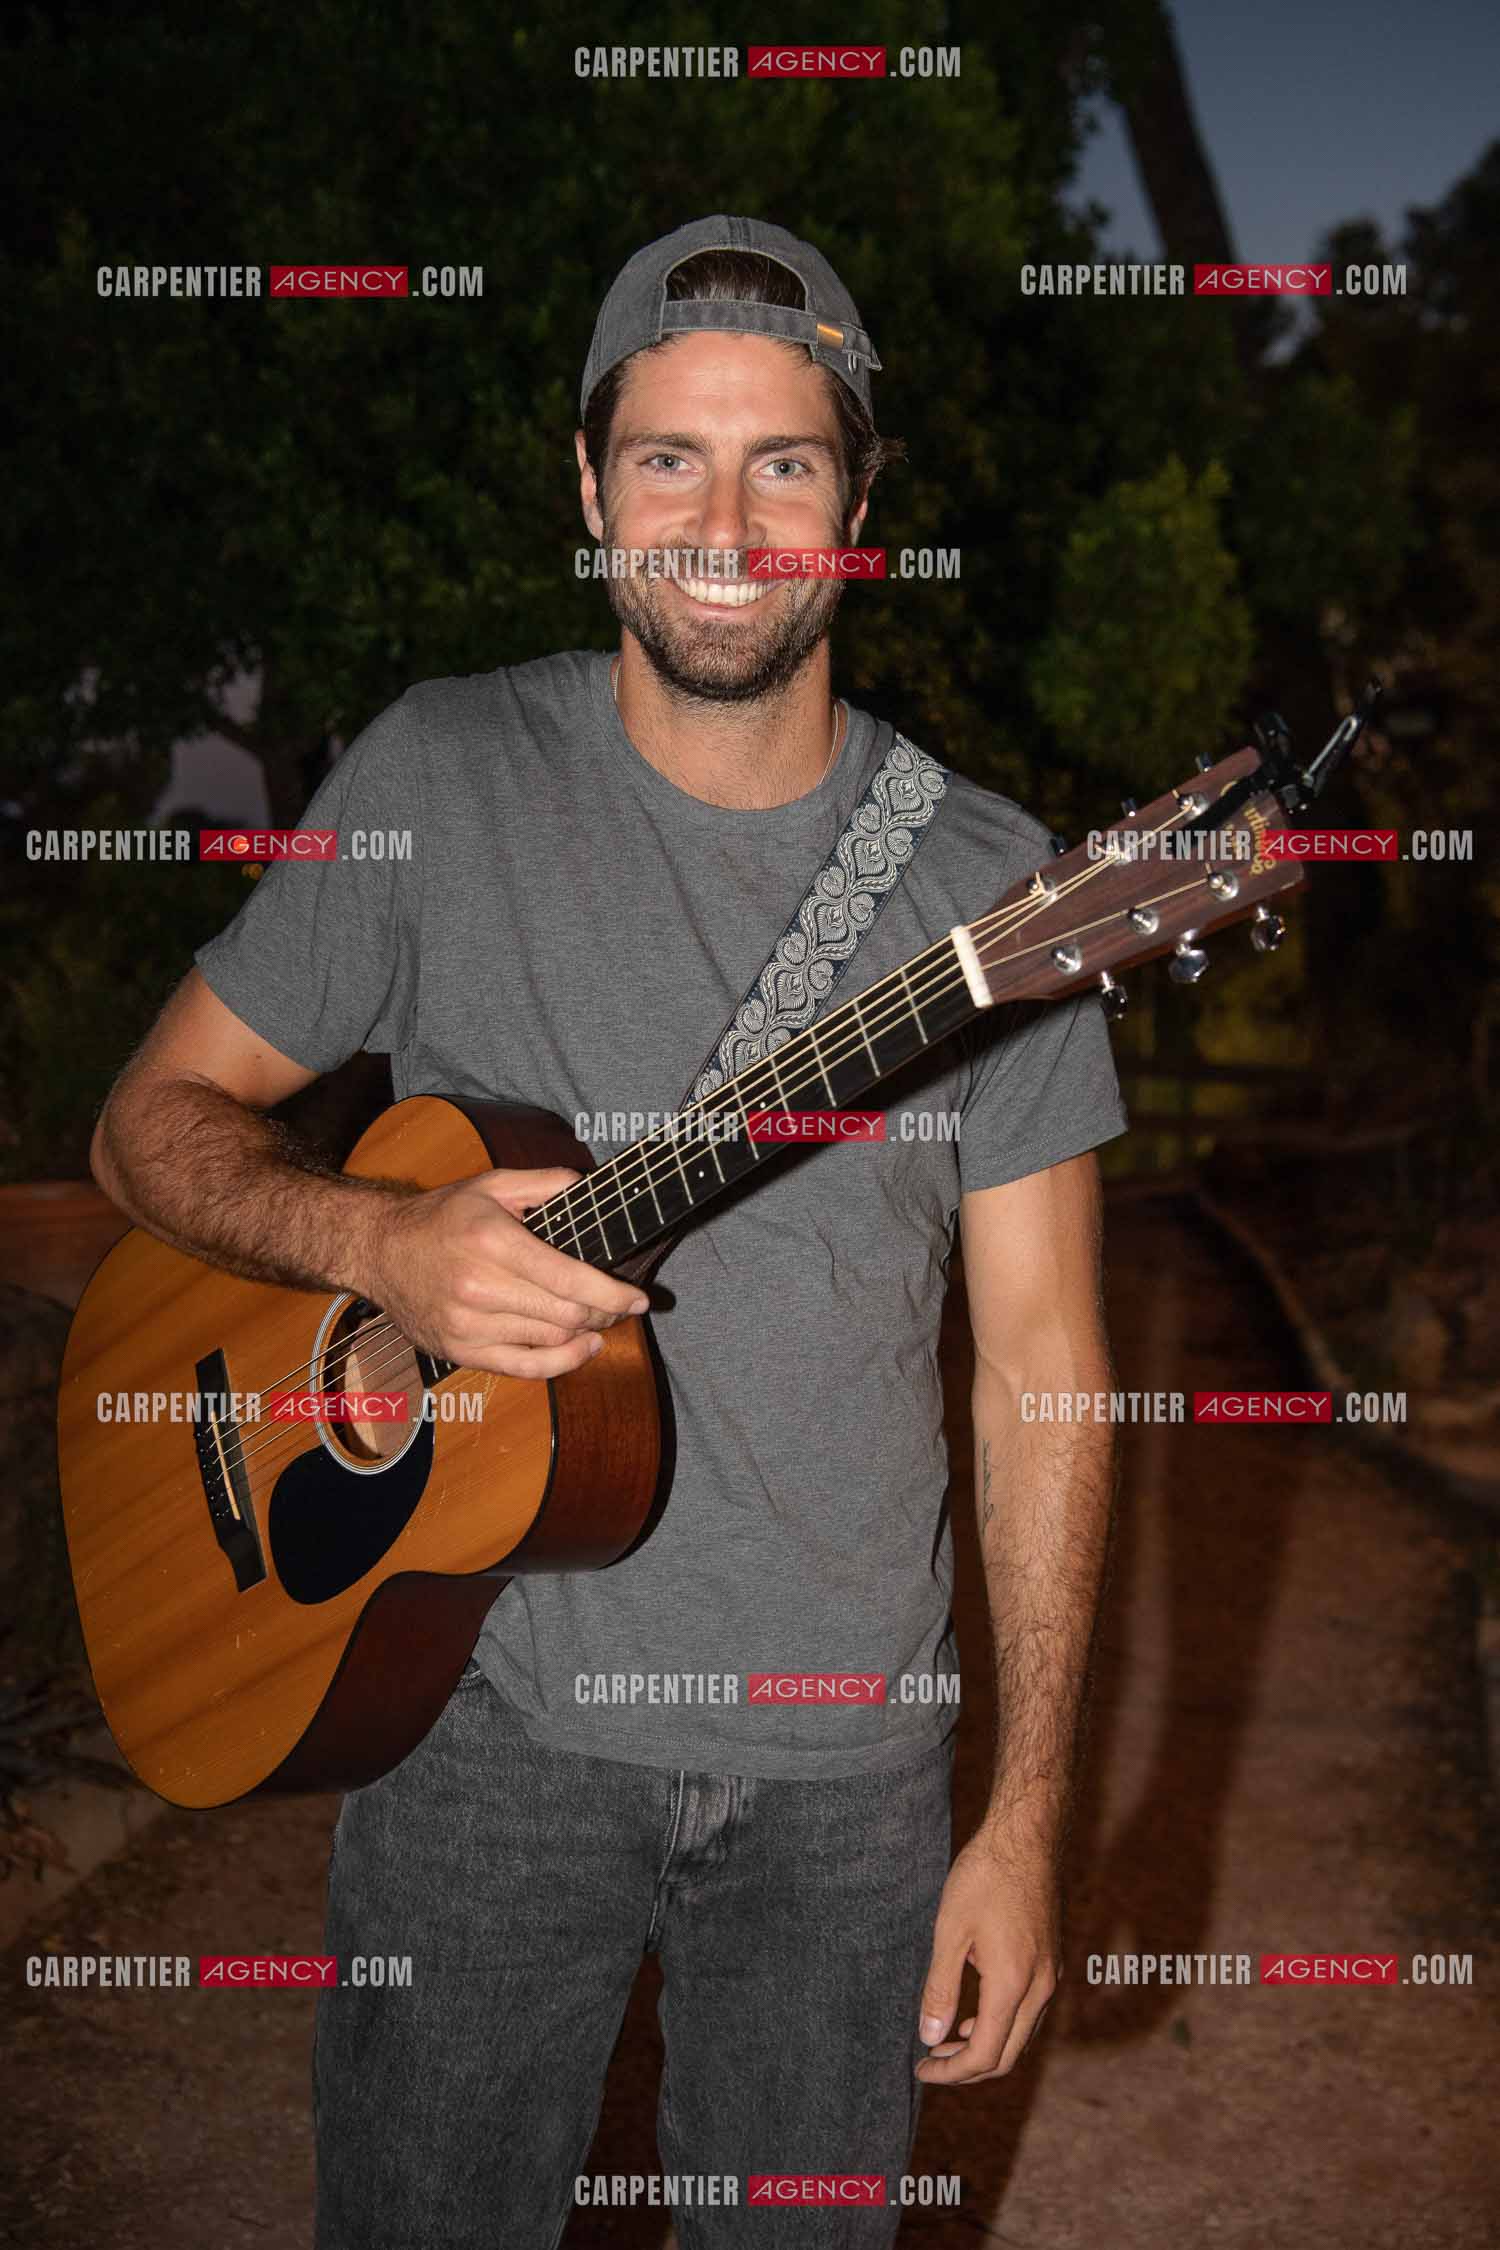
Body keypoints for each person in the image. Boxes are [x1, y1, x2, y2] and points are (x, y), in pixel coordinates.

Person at [91, 216, 1126, 2248]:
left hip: (848, 1789)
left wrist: (1025, 1822)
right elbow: (147, 1130)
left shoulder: (1004, 899)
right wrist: (374, 1251)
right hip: (472, 1716)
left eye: (787, 462)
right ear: (589, 487)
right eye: (668, 458)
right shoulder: (437, 771)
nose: (724, 520)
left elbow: (1048, 1370)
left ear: (861, 501)